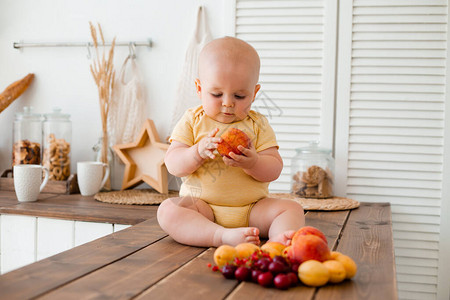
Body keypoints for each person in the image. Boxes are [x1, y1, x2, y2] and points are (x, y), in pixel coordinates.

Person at [157, 36, 305, 247]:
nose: (227, 103)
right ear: (199, 89)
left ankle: (278, 243)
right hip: (203, 208)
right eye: (217, 94)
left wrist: (253, 163)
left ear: (254, 93)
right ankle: (220, 236)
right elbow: (173, 164)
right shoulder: (192, 120)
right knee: (168, 210)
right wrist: (196, 153)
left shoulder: (258, 124)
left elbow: (274, 168)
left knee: (292, 209)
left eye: (239, 96)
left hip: (252, 209)